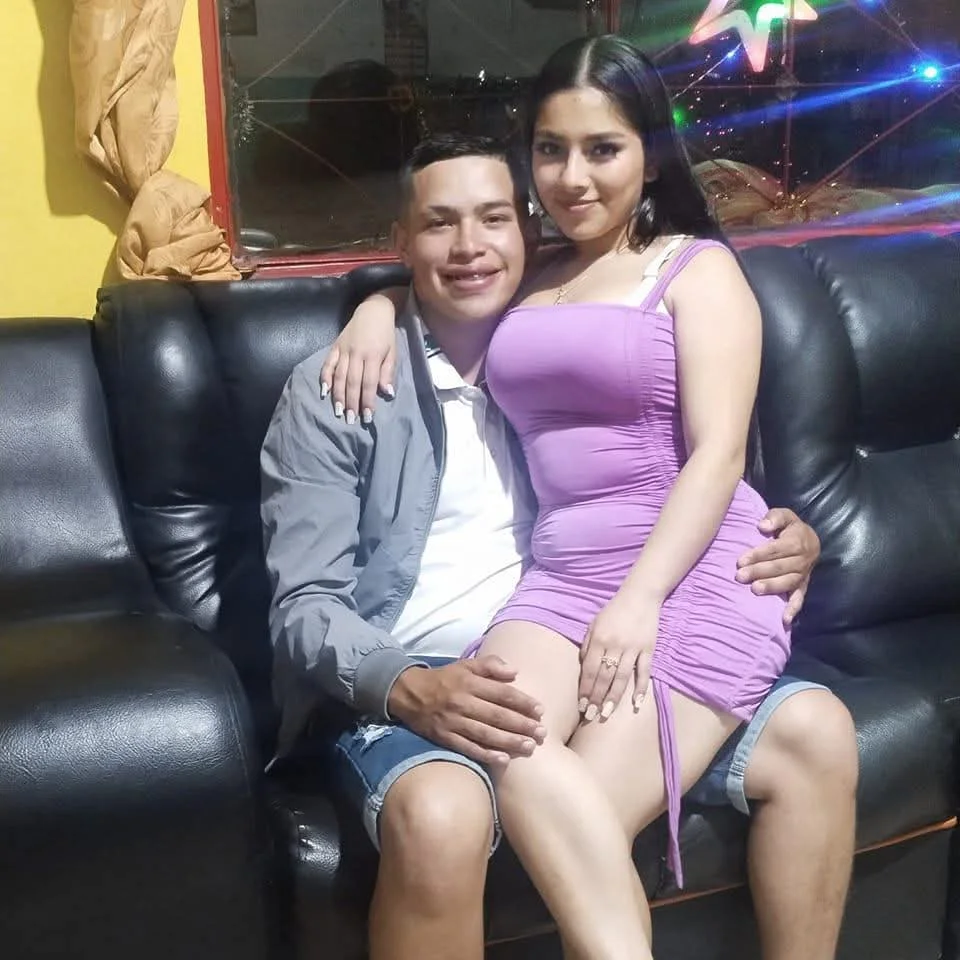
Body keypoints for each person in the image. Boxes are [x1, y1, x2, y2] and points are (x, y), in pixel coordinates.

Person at [262, 135, 856, 960]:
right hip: (420, 676)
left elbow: (676, 473)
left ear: (529, 235)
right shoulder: (340, 389)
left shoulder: (550, 361)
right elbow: (304, 608)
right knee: (444, 813)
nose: (469, 246)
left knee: (816, 726)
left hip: (580, 648)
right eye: (438, 224)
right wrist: (409, 687)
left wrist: (793, 535)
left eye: (493, 219)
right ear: (402, 239)